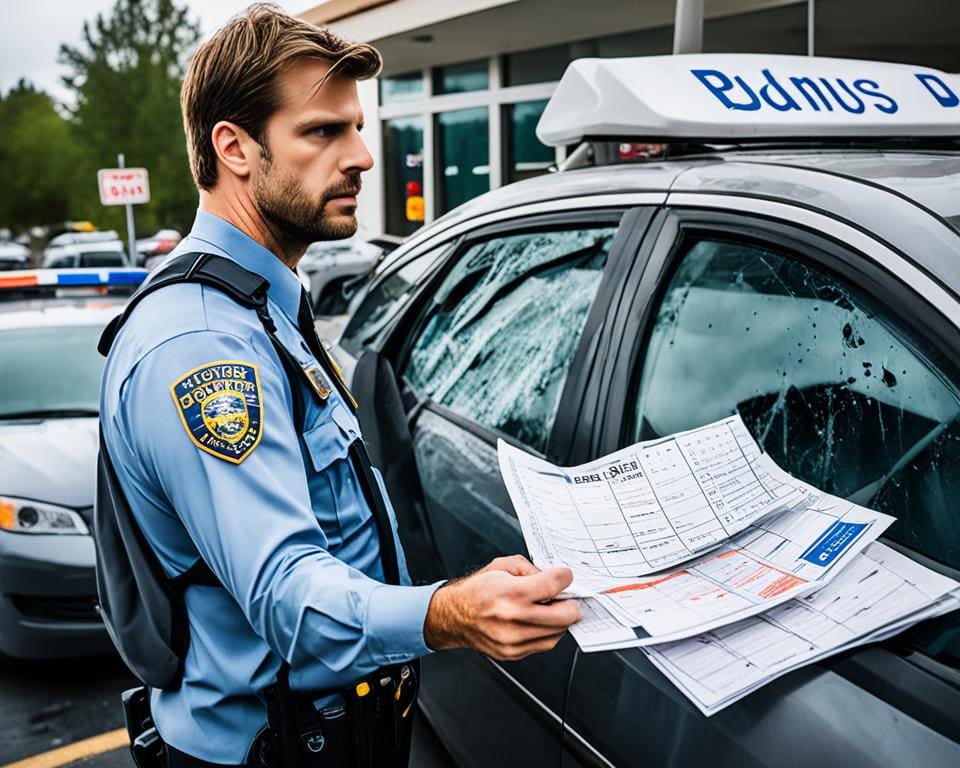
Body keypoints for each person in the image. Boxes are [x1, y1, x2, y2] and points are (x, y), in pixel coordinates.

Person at [98, 4, 581, 767]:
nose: (361, 156)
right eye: (323, 131)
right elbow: (288, 601)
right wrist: (449, 611)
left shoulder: (259, 305)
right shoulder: (202, 345)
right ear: (235, 148)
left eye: (356, 127)